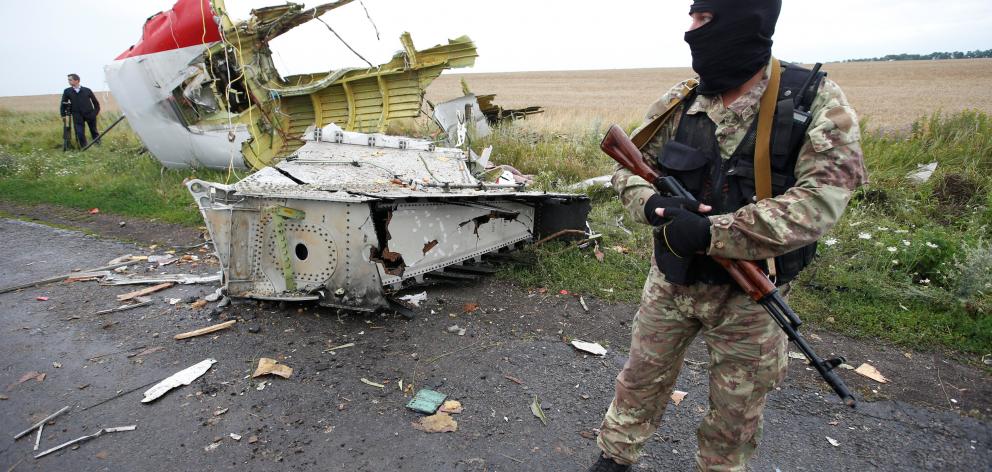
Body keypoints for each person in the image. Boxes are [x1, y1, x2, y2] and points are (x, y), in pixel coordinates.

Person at [588, 1, 868, 471]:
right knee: (638, 383)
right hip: (671, 282)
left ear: (746, 22)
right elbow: (629, 168)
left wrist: (713, 232)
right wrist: (652, 204)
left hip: (749, 295)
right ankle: (614, 459)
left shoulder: (812, 101)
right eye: (692, 18)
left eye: (705, 20)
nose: (691, 31)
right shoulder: (682, 99)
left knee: (734, 417)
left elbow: (822, 201)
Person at [60, 73, 101, 148]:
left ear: (77, 80)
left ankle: (98, 146)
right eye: (68, 80)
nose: (68, 81)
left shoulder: (87, 90)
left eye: (70, 80)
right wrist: (63, 115)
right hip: (77, 115)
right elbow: (63, 104)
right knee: (79, 133)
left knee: (94, 131)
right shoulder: (67, 91)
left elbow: (96, 103)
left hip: (90, 114)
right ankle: (84, 147)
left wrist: (94, 113)